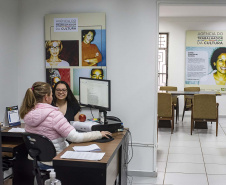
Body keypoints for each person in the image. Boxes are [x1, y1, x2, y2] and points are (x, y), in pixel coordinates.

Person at [19, 82, 112, 155]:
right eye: (52, 94)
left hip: (37, 159)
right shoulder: (54, 115)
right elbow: (75, 137)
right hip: (56, 159)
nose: (52, 96)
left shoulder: (28, 113)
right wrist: (99, 134)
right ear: (46, 97)